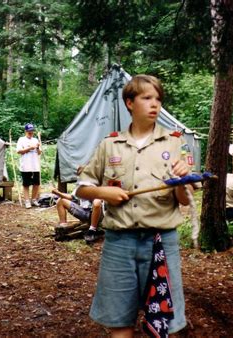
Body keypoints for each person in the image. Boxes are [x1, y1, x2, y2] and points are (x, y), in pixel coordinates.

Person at [76, 74, 192, 337]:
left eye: (158, 99)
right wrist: (103, 192)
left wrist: (182, 179)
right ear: (130, 102)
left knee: (165, 323)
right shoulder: (110, 144)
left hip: (162, 242)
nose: (155, 105)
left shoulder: (174, 142)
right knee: (119, 322)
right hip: (119, 244)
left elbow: (184, 200)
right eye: (147, 98)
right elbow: (81, 187)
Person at [16, 123, 41, 209]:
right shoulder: (21, 139)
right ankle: (27, 201)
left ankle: (33, 199)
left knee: (36, 183)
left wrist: (37, 148)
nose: (31, 133)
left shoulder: (35, 140)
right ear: (25, 131)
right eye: (29, 131)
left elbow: (39, 153)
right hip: (26, 165)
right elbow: (19, 151)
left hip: (35, 165)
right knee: (26, 184)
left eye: (32, 131)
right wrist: (29, 148)